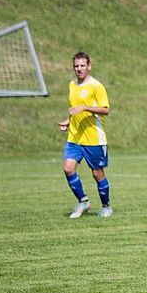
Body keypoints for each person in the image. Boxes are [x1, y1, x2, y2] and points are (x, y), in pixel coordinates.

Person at [59, 52, 113, 219]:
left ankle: (106, 206)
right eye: (76, 66)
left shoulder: (97, 86)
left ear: (89, 66)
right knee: (68, 168)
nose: (79, 69)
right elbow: (74, 108)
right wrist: (68, 121)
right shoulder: (72, 85)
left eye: (82, 65)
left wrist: (85, 107)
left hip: (94, 139)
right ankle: (83, 201)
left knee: (97, 173)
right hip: (75, 137)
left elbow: (105, 109)